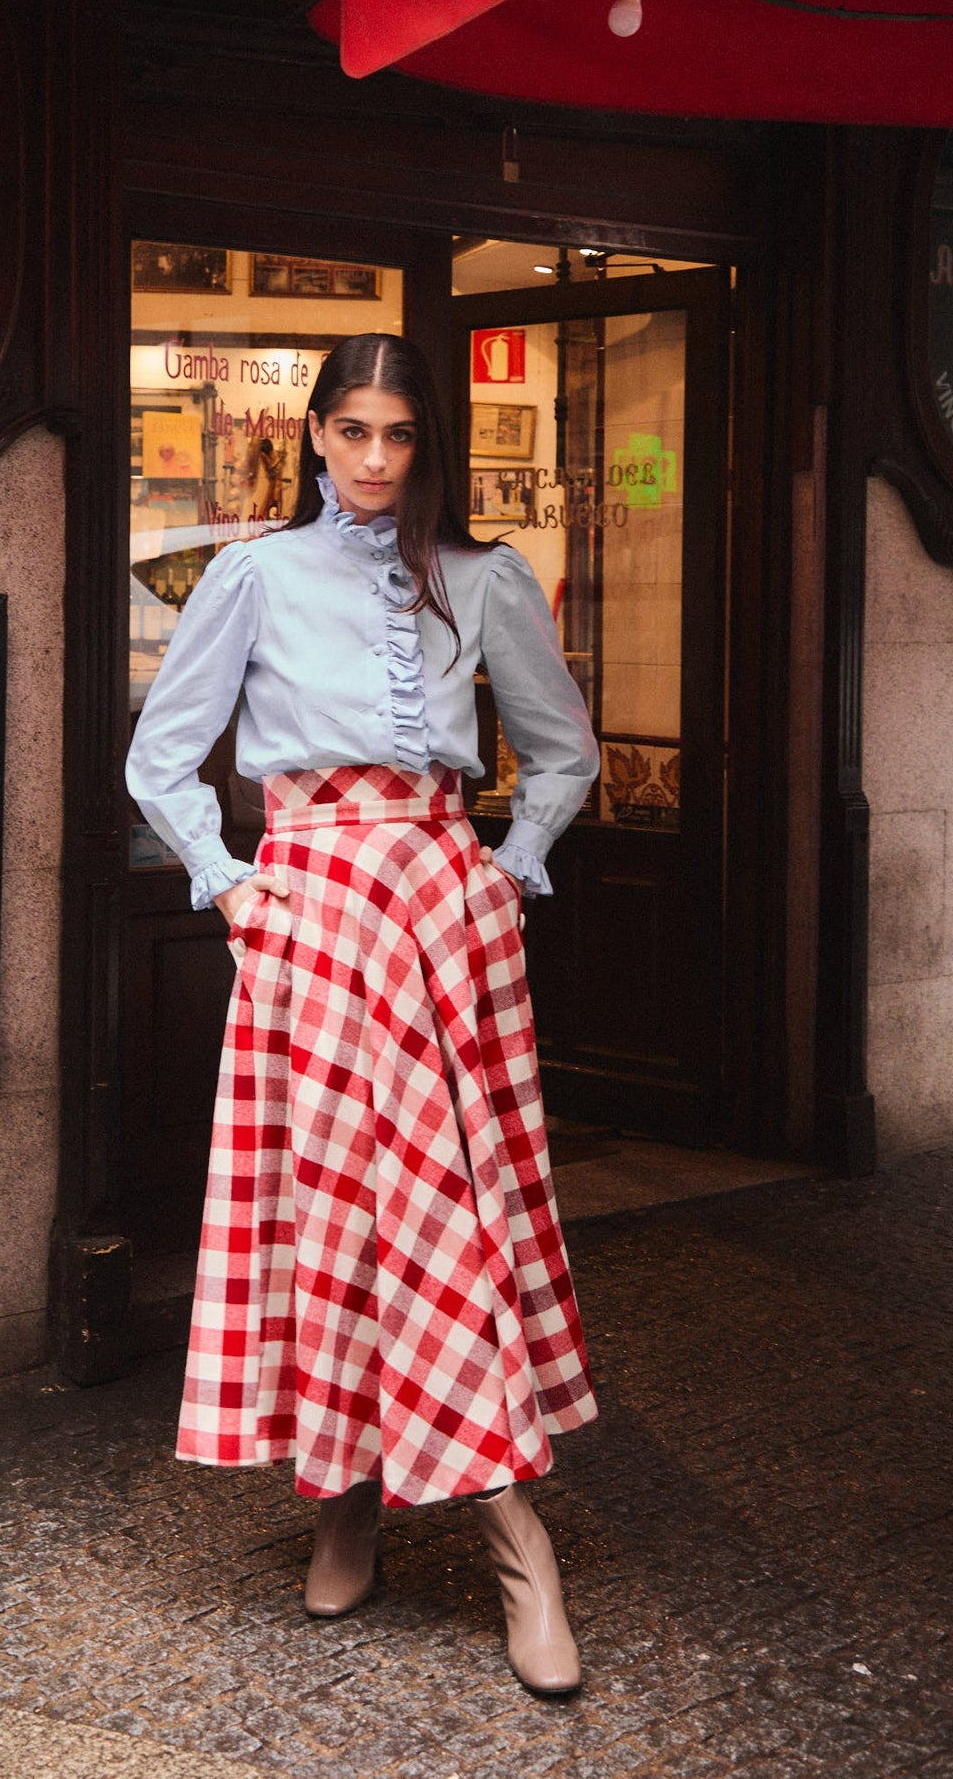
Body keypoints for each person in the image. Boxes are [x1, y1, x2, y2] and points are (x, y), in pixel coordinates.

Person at [125, 333, 600, 1696]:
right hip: (313, 907)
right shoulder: (253, 574)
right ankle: (345, 1499)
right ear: (316, 437)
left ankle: (519, 1546)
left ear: (425, 439)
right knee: (334, 1210)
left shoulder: (483, 575)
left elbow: (560, 749)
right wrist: (230, 887)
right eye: (352, 433)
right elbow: (163, 759)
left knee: (449, 1210)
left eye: (398, 434)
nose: (376, 459)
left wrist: (509, 876)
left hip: (446, 909)